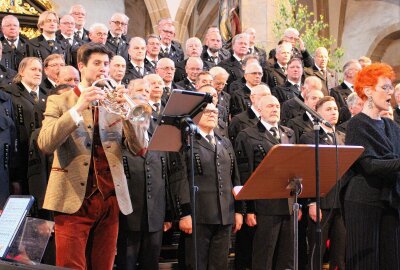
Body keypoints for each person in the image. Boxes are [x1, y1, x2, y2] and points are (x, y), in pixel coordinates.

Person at [37, 42, 149, 270]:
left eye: (106, 64)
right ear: (81, 66)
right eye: (97, 63)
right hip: (72, 199)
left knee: (104, 266)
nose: (103, 69)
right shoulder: (60, 100)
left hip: (110, 200)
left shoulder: (115, 102)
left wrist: (128, 114)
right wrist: (78, 108)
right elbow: (46, 143)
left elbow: (140, 149)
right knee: (70, 266)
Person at [170, 102, 243, 270]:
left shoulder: (224, 142)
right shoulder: (186, 142)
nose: (212, 114)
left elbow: (235, 177)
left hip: (225, 213)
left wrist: (239, 210)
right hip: (198, 215)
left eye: (215, 111)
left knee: (220, 265)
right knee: (196, 264)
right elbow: (179, 179)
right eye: (207, 111)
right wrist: (184, 213)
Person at [343, 63, 400, 269]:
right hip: (363, 200)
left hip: (391, 200)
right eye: (384, 87)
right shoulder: (357, 124)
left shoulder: (392, 126)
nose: (389, 92)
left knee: (392, 260)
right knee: (365, 262)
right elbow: (369, 165)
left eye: (391, 87)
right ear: (367, 91)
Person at [235, 95, 296, 270]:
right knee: (264, 255)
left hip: (288, 203)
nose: (275, 109)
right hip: (264, 205)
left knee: (287, 256)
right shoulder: (247, 135)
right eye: (270, 106)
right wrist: (248, 209)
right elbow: (246, 174)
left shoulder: (288, 133)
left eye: (277, 105)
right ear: (259, 110)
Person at [299, 96, 346, 270]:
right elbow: (309, 171)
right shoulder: (310, 137)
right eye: (328, 109)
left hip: (341, 203)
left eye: (335, 108)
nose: (333, 112)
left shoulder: (343, 136)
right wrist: (311, 202)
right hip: (321, 202)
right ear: (317, 114)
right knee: (316, 253)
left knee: (339, 254)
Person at [3, 57, 47, 195]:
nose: (38, 73)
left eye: (40, 70)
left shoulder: (47, 94)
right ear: (21, 71)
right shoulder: (8, 93)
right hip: (20, 156)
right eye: (33, 69)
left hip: (43, 155)